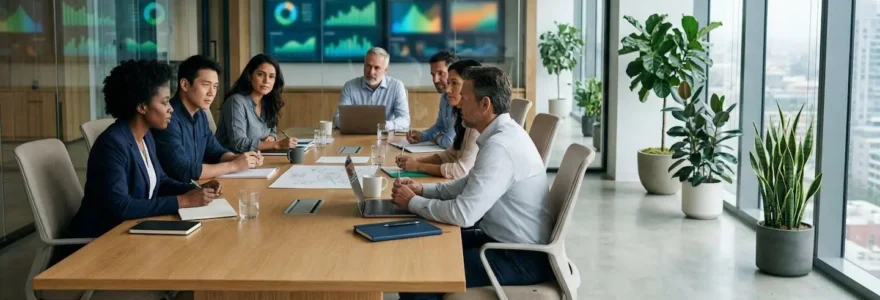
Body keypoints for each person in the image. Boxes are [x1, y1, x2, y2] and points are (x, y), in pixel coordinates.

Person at [391, 66, 554, 300]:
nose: (457, 105)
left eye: (464, 98)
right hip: (499, 241)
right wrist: (423, 190)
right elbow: (467, 184)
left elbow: (463, 214)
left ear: (484, 104)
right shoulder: (502, 134)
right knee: (418, 245)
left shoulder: (500, 147)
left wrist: (413, 202)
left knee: (419, 272)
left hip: (519, 257)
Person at [66, 59, 221, 241]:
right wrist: (183, 201)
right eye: (164, 103)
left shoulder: (146, 136)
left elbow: (160, 181)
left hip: (134, 231)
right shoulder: (112, 144)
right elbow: (120, 207)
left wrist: (195, 189)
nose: (171, 108)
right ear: (141, 106)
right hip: (101, 240)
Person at [152, 55, 263, 181]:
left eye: (215, 86)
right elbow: (183, 170)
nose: (212, 93)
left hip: (197, 188)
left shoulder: (200, 115)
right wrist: (233, 165)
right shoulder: (167, 117)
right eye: (206, 85)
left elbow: (215, 152)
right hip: (176, 194)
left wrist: (244, 159)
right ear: (185, 84)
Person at [396, 59, 482, 179]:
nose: (448, 90)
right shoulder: (464, 118)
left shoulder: (478, 124)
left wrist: (418, 166)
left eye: (455, 83)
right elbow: (450, 155)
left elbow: (460, 171)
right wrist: (416, 161)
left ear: (470, 86)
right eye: (449, 83)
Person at [216, 54, 296, 152]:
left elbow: (272, 131)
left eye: (271, 76)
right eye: (260, 74)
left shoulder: (268, 102)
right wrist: (275, 145)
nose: (266, 81)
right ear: (249, 76)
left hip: (257, 159)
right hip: (231, 161)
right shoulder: (236, 101)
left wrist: (271, 138)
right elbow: (239, 144)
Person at [333, 47, 410, 131]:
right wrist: (362, 124)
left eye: (376, 68)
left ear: (386, 70)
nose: (371, 72)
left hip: (385, 137)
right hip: (355, 137)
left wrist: (385, 125)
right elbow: (337, 119)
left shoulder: (396, 86)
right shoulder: (350, 87)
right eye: (368, 66)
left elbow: (405, 119)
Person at [405, 51, 458, 149]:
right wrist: (422, 136)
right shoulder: (445, 96)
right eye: (433, 75)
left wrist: (435, 138)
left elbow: (449, 142)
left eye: (440, 73)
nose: (435, 80)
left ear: (453, 74)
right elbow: (439, 126)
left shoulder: (461, 100)